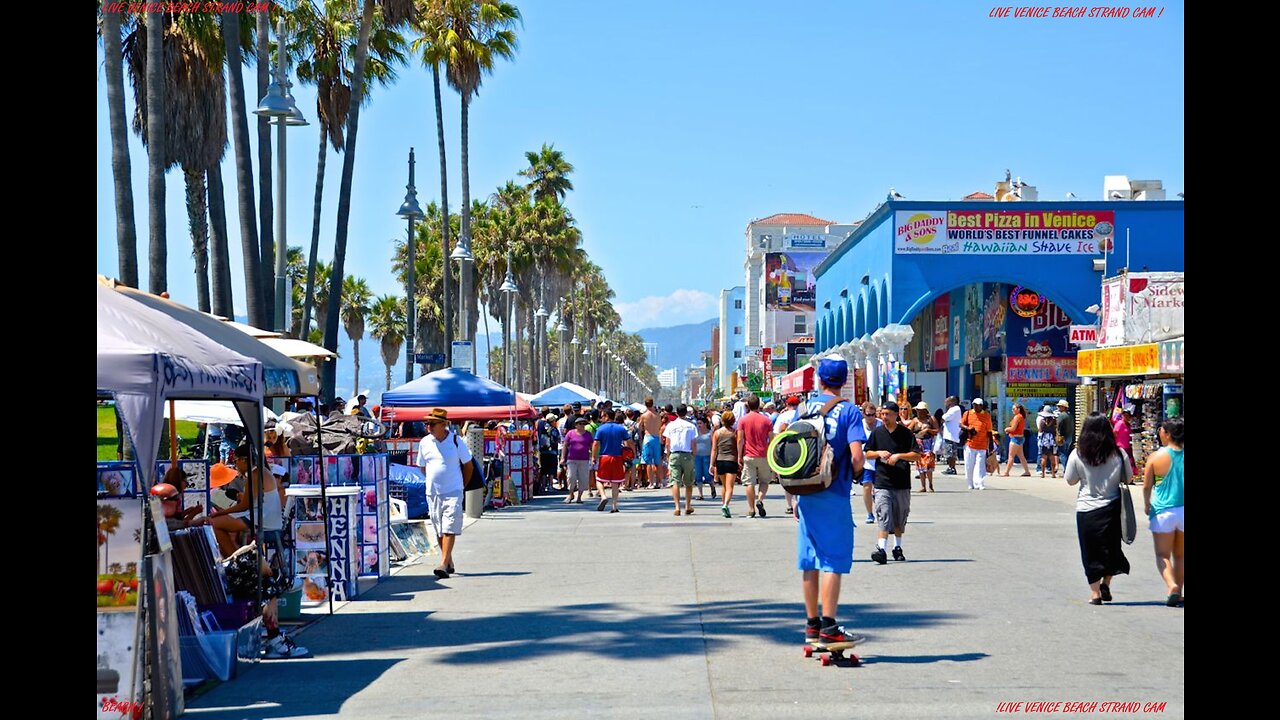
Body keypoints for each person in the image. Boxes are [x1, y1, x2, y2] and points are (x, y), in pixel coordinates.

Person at [795, 357, 867, 646]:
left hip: (805, 492)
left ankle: (811, 624)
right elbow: (857, 456)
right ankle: (829, 625)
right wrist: (859, 474)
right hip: (834, 492)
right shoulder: (849, 411)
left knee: (809, 560)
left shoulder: (803, 408)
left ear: (819, 380)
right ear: (844, 380)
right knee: (833, 561)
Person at [1064, 413, 1133, 605]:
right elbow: (1128, 479)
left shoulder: (1077, 453)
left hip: (1086, 510)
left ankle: (1094, 594)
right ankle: (1106, 583)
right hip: (1111, 509)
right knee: (1110, 549)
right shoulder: (1119, 453)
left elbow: (1070, 480)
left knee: (1090, 551)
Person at [417, 408, 474, 578]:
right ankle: (448, 560)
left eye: (432, 423)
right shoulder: (425, 442)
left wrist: (461, 485)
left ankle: (442, 564)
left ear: (443, 424)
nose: (429, 427)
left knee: (449, 527)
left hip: (453, 490)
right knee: (439, 529)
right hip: (433, 492)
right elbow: (422, 467)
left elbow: (468, 466)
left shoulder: (456, 441)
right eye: (427, 423)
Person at [864, 401, 922, 564]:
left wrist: (898, 456)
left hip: (902, 482)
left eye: (887, 414)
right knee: (884, 514)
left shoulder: (905, 433)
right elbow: (867, 453)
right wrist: (878, 453)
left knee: (899, 517)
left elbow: (917, 455)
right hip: (882, 481)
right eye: (882, 414)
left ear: (896, 415)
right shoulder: (877, 432)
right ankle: (881, 549)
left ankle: (897, 547)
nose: (884, 417)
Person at [1142, 417, 1184, 607]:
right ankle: (1179, 592)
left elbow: (1146, 486)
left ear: (1167, 434)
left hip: (1162, 511)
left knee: (1162, 555)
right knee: (1181, 556)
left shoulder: (1156, 457)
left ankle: (1172, 586)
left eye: (1161, 430)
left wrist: (1146, 504)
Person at [738, 395, 776, 518]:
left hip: (749, 455)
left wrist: (739, 455)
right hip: (764, 455)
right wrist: (772, 454)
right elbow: (772, 439)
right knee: (765, 481)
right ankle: (760, 499)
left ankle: (751, 508)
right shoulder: (767, 420)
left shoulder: (743, 420)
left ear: (748, 405)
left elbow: (740, 439)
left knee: (749, 482)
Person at [592, 409, 633, 513]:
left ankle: (603, 496)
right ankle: (614, 506)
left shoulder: (601, 429)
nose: (601, 418)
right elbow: (629, 441)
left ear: (606, 416)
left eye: (602, 416)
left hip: (604, 457)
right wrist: (631, 453)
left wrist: (593, 456)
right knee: (615, 482)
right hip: (617, 457)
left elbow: (596, 444)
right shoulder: (621, 429)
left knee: (599, 479)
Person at [663, 404, 699, 515]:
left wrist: (668, 455)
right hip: (687, 454)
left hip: (674, 454)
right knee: (689, 482)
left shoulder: (670, 425)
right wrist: (694, 454)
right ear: (686, 413)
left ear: (677, 413)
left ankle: (677, 507)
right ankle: (688, 505)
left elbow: (667, 443)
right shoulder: (691, 426)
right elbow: (693, 443)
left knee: (675, 481)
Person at [774, 396, 803, 514]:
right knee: (801, 476)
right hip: (801, 448)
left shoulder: (782, 416)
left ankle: (789, 505)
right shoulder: (801, 415)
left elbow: (776, 435)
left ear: (787, 404)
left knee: (787, 477)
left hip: (785, 448)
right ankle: (799, 502)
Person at [960, 399, 993, 490]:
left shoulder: (986, 415)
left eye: (978, 405)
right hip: (970, 443)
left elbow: (989, 431)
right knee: (969, 465)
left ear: (982, 406)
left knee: (980, 464)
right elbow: (961, 424)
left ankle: (980, 483)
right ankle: (970, 483)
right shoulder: (968, 413)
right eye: (974, 405)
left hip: (982, 444)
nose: (976, 406)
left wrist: (991, 444)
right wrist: (968, 428)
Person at [713, 412, 740, 518]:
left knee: (724, 486)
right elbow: (738, 447)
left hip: (720, 460)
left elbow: (714, 449)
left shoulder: (717, 433)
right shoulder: (735, 433)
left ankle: (724, 505)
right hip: (731, 460)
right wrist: (739, 459)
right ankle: (725, 505)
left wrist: (712, 464)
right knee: (730, 487)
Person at [561, 416, 594, 504]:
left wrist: (594, 456)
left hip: (584, 459)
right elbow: (565, 445)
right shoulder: (570, 433)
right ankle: (571, 494)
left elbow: (592, 446)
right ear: (576, 425)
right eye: (580, 424)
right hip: (572, 459)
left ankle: (579, 497)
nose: (582, 425)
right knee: (571, 477)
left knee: (583, 479)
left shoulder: (588, 434)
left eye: (584, 424)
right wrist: (563, 457)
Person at [907, 402, 938, 493]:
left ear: (925, 411)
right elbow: (908, 430)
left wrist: (928, 430)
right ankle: (923, 486)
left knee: (928, 464)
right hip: (918, 444)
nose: (918, 412)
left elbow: (937, 430)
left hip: (928, 444)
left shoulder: (931, 419)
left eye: (920, 410)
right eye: (917, 410)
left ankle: (930, 485)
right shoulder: (915, 420)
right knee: (920, 465)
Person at [858, 402, 880, 524]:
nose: (871, 417)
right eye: (868, 415)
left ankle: (880, 510)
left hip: (880, 461)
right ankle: (869, 513)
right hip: (866, 462)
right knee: (867, 486)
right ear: (863, 414)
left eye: (873, 415)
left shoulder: (881, 424)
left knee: (879, 489)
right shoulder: (859, 425)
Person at [639, 398, 666, 489]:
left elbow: (640, 428)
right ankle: (660, 481)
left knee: (648, 462)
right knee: (657, 462)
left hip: (648, 437)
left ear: (645, 405)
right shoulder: (658, 415)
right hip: (656, 438)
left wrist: (640, 437)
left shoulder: (644, 415)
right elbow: (659, 426)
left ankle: (651, 482)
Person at [1001, 403, 1033, 477]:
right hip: (1020, 438)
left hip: (1015, 438)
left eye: (1013, 409)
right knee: (1021, 456)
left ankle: (1006, 472)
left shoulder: (1017, 417)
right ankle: (1027, 471)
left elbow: (1013, 428)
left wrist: (1007, 429)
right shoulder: (1021, 417)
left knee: (1011, 456)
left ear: (1018, 409)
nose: (1012, 410)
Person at [693, 415, 716, 501]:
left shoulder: (710, 433)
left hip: (707, 456)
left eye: (700, 423)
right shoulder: (695, 433)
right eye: (697, 423)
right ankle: (700, 494)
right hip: (697, 456)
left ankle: (712, 487)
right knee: (698, 475)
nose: (698, 425)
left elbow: (713, 444)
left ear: (705, 423)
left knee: (708, 475)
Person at [940, 396, 962, 475]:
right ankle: (950, 467)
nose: (946, 403)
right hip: (949, 435)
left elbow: (944, 418)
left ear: (952, 401)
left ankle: (952, 468)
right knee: (949, 453)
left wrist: (943, 418)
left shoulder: (955, 409)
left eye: (947, 401)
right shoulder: (952, 409)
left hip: (951, 435)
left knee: (950, 453)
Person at [1114, 406, 1138, 475]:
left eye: (1128, 415)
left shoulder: (1128, 425)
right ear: (1122, 415)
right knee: (1124, 463)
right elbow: (1114, 434)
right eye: (1125, 415)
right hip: (1121, 447)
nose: (1127, 417)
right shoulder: (1119, 424)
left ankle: (1130, 477)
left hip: (1128, 447)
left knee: (1130, 463)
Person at [1037, 405, 1059, 478]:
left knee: (1043, 457)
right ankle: (1053, 474)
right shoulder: (1054, 421)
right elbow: (1056, 431)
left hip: (1044, 440)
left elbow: (1040, 430)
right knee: (1052, 456)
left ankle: (1043, 474)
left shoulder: (1042, 421)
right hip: (1052, 440)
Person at [1056, 399, 1075, 472]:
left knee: (1062, 454)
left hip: (1062, 437)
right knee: (1066, 453)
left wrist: (1058, 434)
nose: (1058, 407)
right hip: (1069, 437)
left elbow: (1059, 426)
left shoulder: (1062, 416)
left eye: (1060, 406)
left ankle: (1067, 469)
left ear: (1064, 407)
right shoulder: (1070, 415)